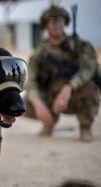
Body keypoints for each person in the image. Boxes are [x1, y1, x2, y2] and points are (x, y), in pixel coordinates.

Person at [24, 5, 100, 141]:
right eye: (51, 21)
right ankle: (48, 123)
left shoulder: (79, 46)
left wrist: (69, 87)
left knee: (90, 87)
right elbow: (31, 80)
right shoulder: (40, 52)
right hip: (51, 97)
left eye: (59, 20)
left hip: (75, 95)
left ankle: (85, 127)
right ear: (45, 25)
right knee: (26, 100)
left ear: (65, 22)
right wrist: (36, 101)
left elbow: (89, 68)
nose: (56, 24)